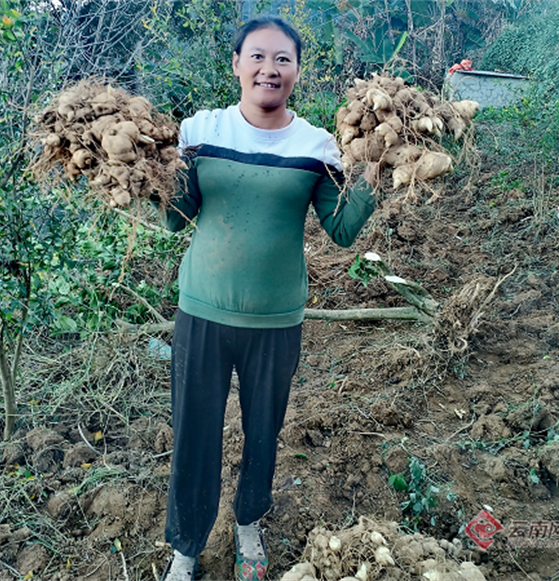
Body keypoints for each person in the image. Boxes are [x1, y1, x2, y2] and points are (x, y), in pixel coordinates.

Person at [157, 16, 379, 581]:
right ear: (236, 63)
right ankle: (186, 547)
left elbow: (342, 228)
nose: (269, 69)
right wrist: (143, 173)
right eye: (258, 56)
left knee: (264, 430)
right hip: (203, 310)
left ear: (298, 70)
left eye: (283, 59)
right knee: (195, 431)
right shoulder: (198, 130)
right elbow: (175, 216)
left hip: (277, 319)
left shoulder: (317, 144)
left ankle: (248, 524)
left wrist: (380, 166)